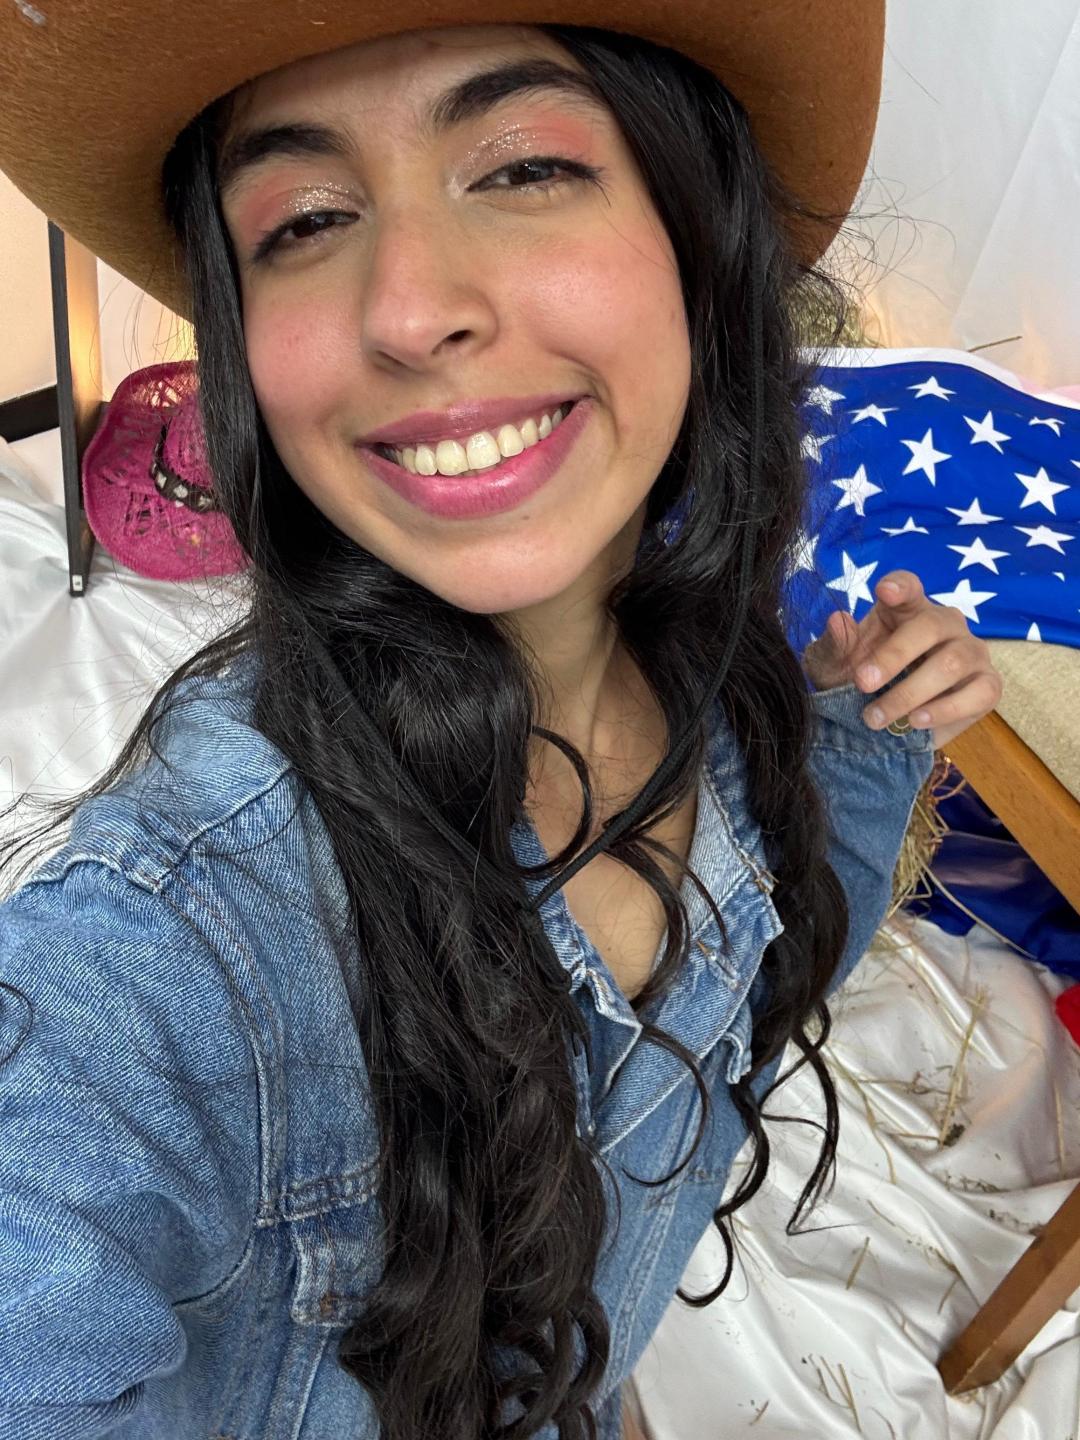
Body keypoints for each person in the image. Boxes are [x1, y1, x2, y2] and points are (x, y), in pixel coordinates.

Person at [0, 6, 1003, 1438]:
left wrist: (865, 726)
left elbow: (768, 980)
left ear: (698, 232)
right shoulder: (166, 952)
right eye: (305, 220)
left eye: (524, 167)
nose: (409, 310)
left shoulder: (714, 680)